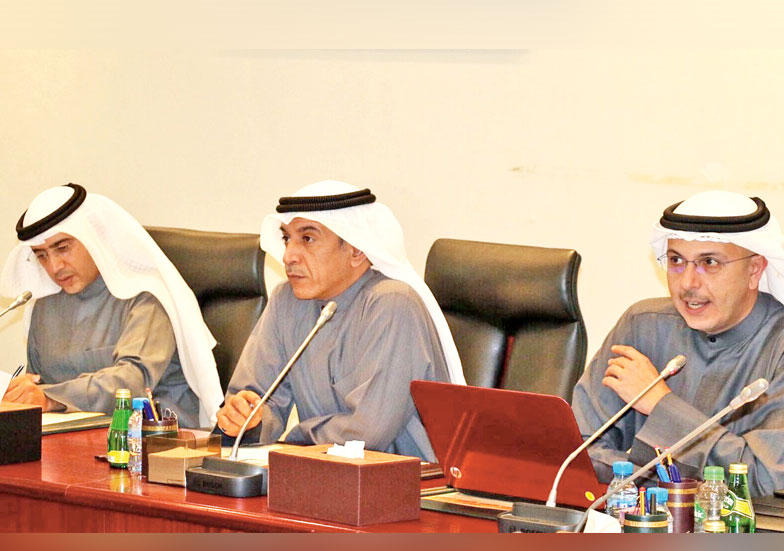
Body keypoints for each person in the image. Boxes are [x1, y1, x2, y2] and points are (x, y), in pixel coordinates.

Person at [216, 180, 464, 461]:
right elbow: (259, 399)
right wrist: (245, 419)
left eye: (307, 239)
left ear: (356, 250)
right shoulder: (287, 301)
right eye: (287, 239)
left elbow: (368, 434)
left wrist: (293, 440)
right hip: (324, 469)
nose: (288, 256)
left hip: (411, 479)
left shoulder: (393, 304)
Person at [572, 190, 784, 496]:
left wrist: (660, 405)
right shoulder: (643, 325)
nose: (688, 283)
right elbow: (579, 450)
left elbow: (769, 481)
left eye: (710, 262)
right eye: (676, 260)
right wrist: (669, 489)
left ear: (754, 269)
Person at [0, 183, 224, 427]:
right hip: (71, 438)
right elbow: (36, 384)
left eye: (62, 248)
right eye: (41, 255)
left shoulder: (145, 299)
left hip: (155, 439)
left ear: (93, 238)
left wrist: (51, 397)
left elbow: (132, 382)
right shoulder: (43, 308)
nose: (54, 267)